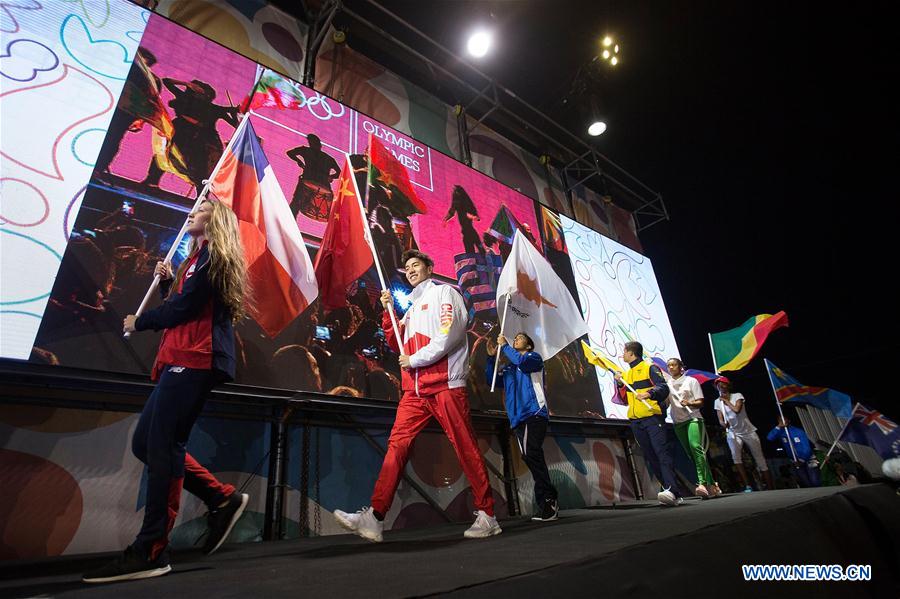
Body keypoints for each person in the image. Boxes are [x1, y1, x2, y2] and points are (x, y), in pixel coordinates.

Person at [83, 199, 250, 583]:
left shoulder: (215, 258)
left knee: (163, 445)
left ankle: (152, 549)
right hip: (180, 357)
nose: (192, 211)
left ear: (217, 219)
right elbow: (183, 307)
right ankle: (220, 498)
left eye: (202, 207)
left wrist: (140, 321)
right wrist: (165, 286)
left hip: (195, 359)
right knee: (147, 443)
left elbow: (185, 310)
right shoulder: (196, 260)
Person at [333, 250, 500, 541]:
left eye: (416, 265)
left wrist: (415, 359)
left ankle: (487, 515)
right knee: (396, 446)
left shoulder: (445, 293)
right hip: (415, 392)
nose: (410, 270)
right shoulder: (410, 309)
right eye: (407, 267)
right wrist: (387, 312)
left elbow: (450, 334)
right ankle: (375, 517)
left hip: (445, 385)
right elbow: (397, 344)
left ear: (429, 268)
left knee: (464, 446)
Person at [486, 332, 559, 521]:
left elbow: (522, 363)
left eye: (520, 337)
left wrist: (505, 346)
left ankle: (549, 500)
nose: (516, 339)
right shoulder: (509, 367)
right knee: (531, 456)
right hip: (518, 419)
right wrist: (491, 358)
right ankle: (547, 502)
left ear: (528, 345)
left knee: (532, 453)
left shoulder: (533, 358)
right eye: (515, 338)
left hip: (534, 413)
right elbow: (491, 380)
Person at [615, 342, 680, 506]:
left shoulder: (649, 367)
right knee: (650, 455)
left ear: (631, 353)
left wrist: (649, 393)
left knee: (661, 452)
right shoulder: (627, 374)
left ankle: (672, 490)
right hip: (636, 421)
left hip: (652, 417)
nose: (623, 354)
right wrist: (620, 384)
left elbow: (663, 388)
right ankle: (668, 490)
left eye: (624, 351)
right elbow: (624, 399)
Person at [665, 358, 720, 498]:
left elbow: (700, 402)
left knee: (696, 447)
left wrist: (689, 403)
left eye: (674, 365)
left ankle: (702, 483)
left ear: (680, 367)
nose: (671, 367)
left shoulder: (691, 381)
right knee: (692, 454)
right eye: (669, 365)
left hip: (693, 418)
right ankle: (712, 484)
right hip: (678, 422)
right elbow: (666, 403)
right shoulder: (667, 384)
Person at [713, 377, 775, 492]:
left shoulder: (737, 396)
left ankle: (770, 487)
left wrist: (726, 401)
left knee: (759, 458)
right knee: (736, 458)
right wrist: (723, 424)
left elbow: (737, 410)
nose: (720, 386)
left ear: (728, 385)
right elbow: (720, 419)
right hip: (733, 432)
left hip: (748, 431)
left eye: (722, 384)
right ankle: (748, 486)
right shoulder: (717, 402)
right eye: (718, 385)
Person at [286, 134, 340, 220]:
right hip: (322, 185)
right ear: (320, 145)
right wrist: (331, 177)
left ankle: (290, 221)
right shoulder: (329, 158)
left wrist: (299, 161)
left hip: (307, 181)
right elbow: (339, 173)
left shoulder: (305, 150)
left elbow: (290, 153)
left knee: (296, 203)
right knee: (322, 208)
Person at [766, 416, 821, 488]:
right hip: (795, 460)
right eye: (780, 420)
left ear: (789, 420)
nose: (783, 421)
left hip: (809, 458)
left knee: (814, 481)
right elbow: (769, 438)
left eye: (784, 419)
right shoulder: (781, 432)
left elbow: (806, 447)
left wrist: (801, 460)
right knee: (805, 482)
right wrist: (778, 426)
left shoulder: (798, 431)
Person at [443, 185, 485, 255]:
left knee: (477, 250)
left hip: (469, 231)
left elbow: (477, 217)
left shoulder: (464, 202)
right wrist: (445, 220)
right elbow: (452, 211)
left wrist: (472, 216)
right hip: (467, 231)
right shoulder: (459, 201)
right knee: (473, 251)